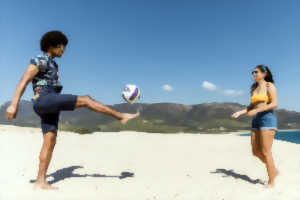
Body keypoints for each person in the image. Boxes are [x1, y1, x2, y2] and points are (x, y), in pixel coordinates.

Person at [5, 30, 140, 190]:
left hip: (51, 103)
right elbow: (23, 81)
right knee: (86, 99)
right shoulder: (39, 59)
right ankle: (120, 116)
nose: (64, 50)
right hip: (45, 99)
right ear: (52, 46)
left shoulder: (54, 64)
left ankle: (40, 181)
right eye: (62, 46)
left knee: (50, 141)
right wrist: (14, 104)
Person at [231, 65, 279, 188]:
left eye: (256, 72)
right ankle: (273, 169)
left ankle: (271, 181)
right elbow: (251, 106)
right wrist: (240, 112)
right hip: (256, 120)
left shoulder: (269, 86)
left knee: (265, 151)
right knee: (255, 151)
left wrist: (257, 111)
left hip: (267, 119)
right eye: (252, 72)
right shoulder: (254, 88)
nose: (254, 74)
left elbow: (274, 104)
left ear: (264, 73)